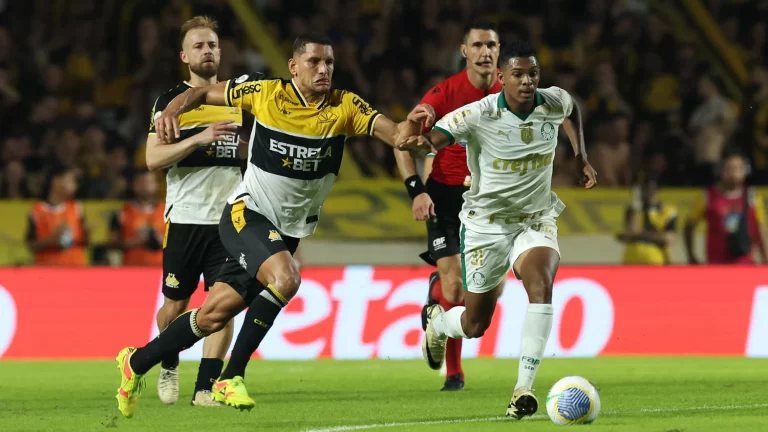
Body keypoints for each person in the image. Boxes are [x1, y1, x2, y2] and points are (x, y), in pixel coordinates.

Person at [113, 33, 431, 418]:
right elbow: (200, 94)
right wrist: (173, 111)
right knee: (287, 279)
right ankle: (231, 377)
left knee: (214, 314)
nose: (324, 69)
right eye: (314, 61)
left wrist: (409, 127)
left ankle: (136, 362)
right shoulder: (265, 93)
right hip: (246, 214)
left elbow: (395, 134)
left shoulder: (344, 106)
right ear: (293, 66)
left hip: (287, 231)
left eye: (329, 62)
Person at [403, 40, 597, 419]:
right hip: (485, 226)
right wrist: (421, 142)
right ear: (501, 78)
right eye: (519, 75)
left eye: (533, 74)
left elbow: (572, 112)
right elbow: (436, 139)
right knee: (475, 324)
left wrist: (581, 157)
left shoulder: (553, 100)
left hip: (534, 218)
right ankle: (439, 324)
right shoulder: (478, 114)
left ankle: (522, 389)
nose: (527, 81)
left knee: (540, 284)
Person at [394, 19, 503, 392]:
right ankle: (454, 372)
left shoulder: (514, 91)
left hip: (491, 201)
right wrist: (416, 191)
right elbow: (402, 139)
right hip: (446, 196)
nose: (484, 52)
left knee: (488, 293)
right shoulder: (445, 92)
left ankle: (436, 292)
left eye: (491, 45)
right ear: (464, 51)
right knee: (457, 290)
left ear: (499, 51)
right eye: (477, 46)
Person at [144, 16, 246, 407]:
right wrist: (200, 138)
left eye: (213, 45)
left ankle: (206, 387)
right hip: (186, 218)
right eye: (200, 46)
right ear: (185, 56)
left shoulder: (238, 98)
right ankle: (170, 363)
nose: (208, 51)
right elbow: (154, 159)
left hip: (230, 220)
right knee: (174, 305)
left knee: (226, 302)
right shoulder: (169, 102)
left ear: (220, 52)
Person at [684, 150, 767, 264]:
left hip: (745, 264)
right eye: (730, 168)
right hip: (716, 265)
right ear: (720, 171)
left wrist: (766, 259)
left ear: (746, 171)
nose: (734, 173)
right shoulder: (707, 196)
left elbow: (761, 230)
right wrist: (691, 256)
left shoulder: (753, 197)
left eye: (738, 168)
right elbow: (689, 226)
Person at [25, 166, 88, 266]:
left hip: (75, 269)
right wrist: (51, 240)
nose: (74, 186)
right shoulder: (37, 210)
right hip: (47, 270)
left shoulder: (76, 208)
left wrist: (87, 234)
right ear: (56, 181)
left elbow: (83, 243)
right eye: (70, 180)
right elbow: (31, 245)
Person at [108, 171, 165, 266]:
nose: (145, 186)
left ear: (156, 185)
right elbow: (111, 244)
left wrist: (161, 240)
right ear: (134, 185)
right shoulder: (122, 213)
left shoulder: (168, 211)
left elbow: (180, 243)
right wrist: (133, 242)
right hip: (133, 269)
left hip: (162, 269)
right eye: (141, 182)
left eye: (149, 182)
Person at [617, 177, 677, 265]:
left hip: (655, 261)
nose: (649, 192)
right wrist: (636, 204)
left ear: (657, 190)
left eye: (652, 189)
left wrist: (639, 235)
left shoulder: (667, 211)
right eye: (645, 189)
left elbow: (668, 238)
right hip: (631, 261)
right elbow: (631, 232)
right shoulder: (633, 209)